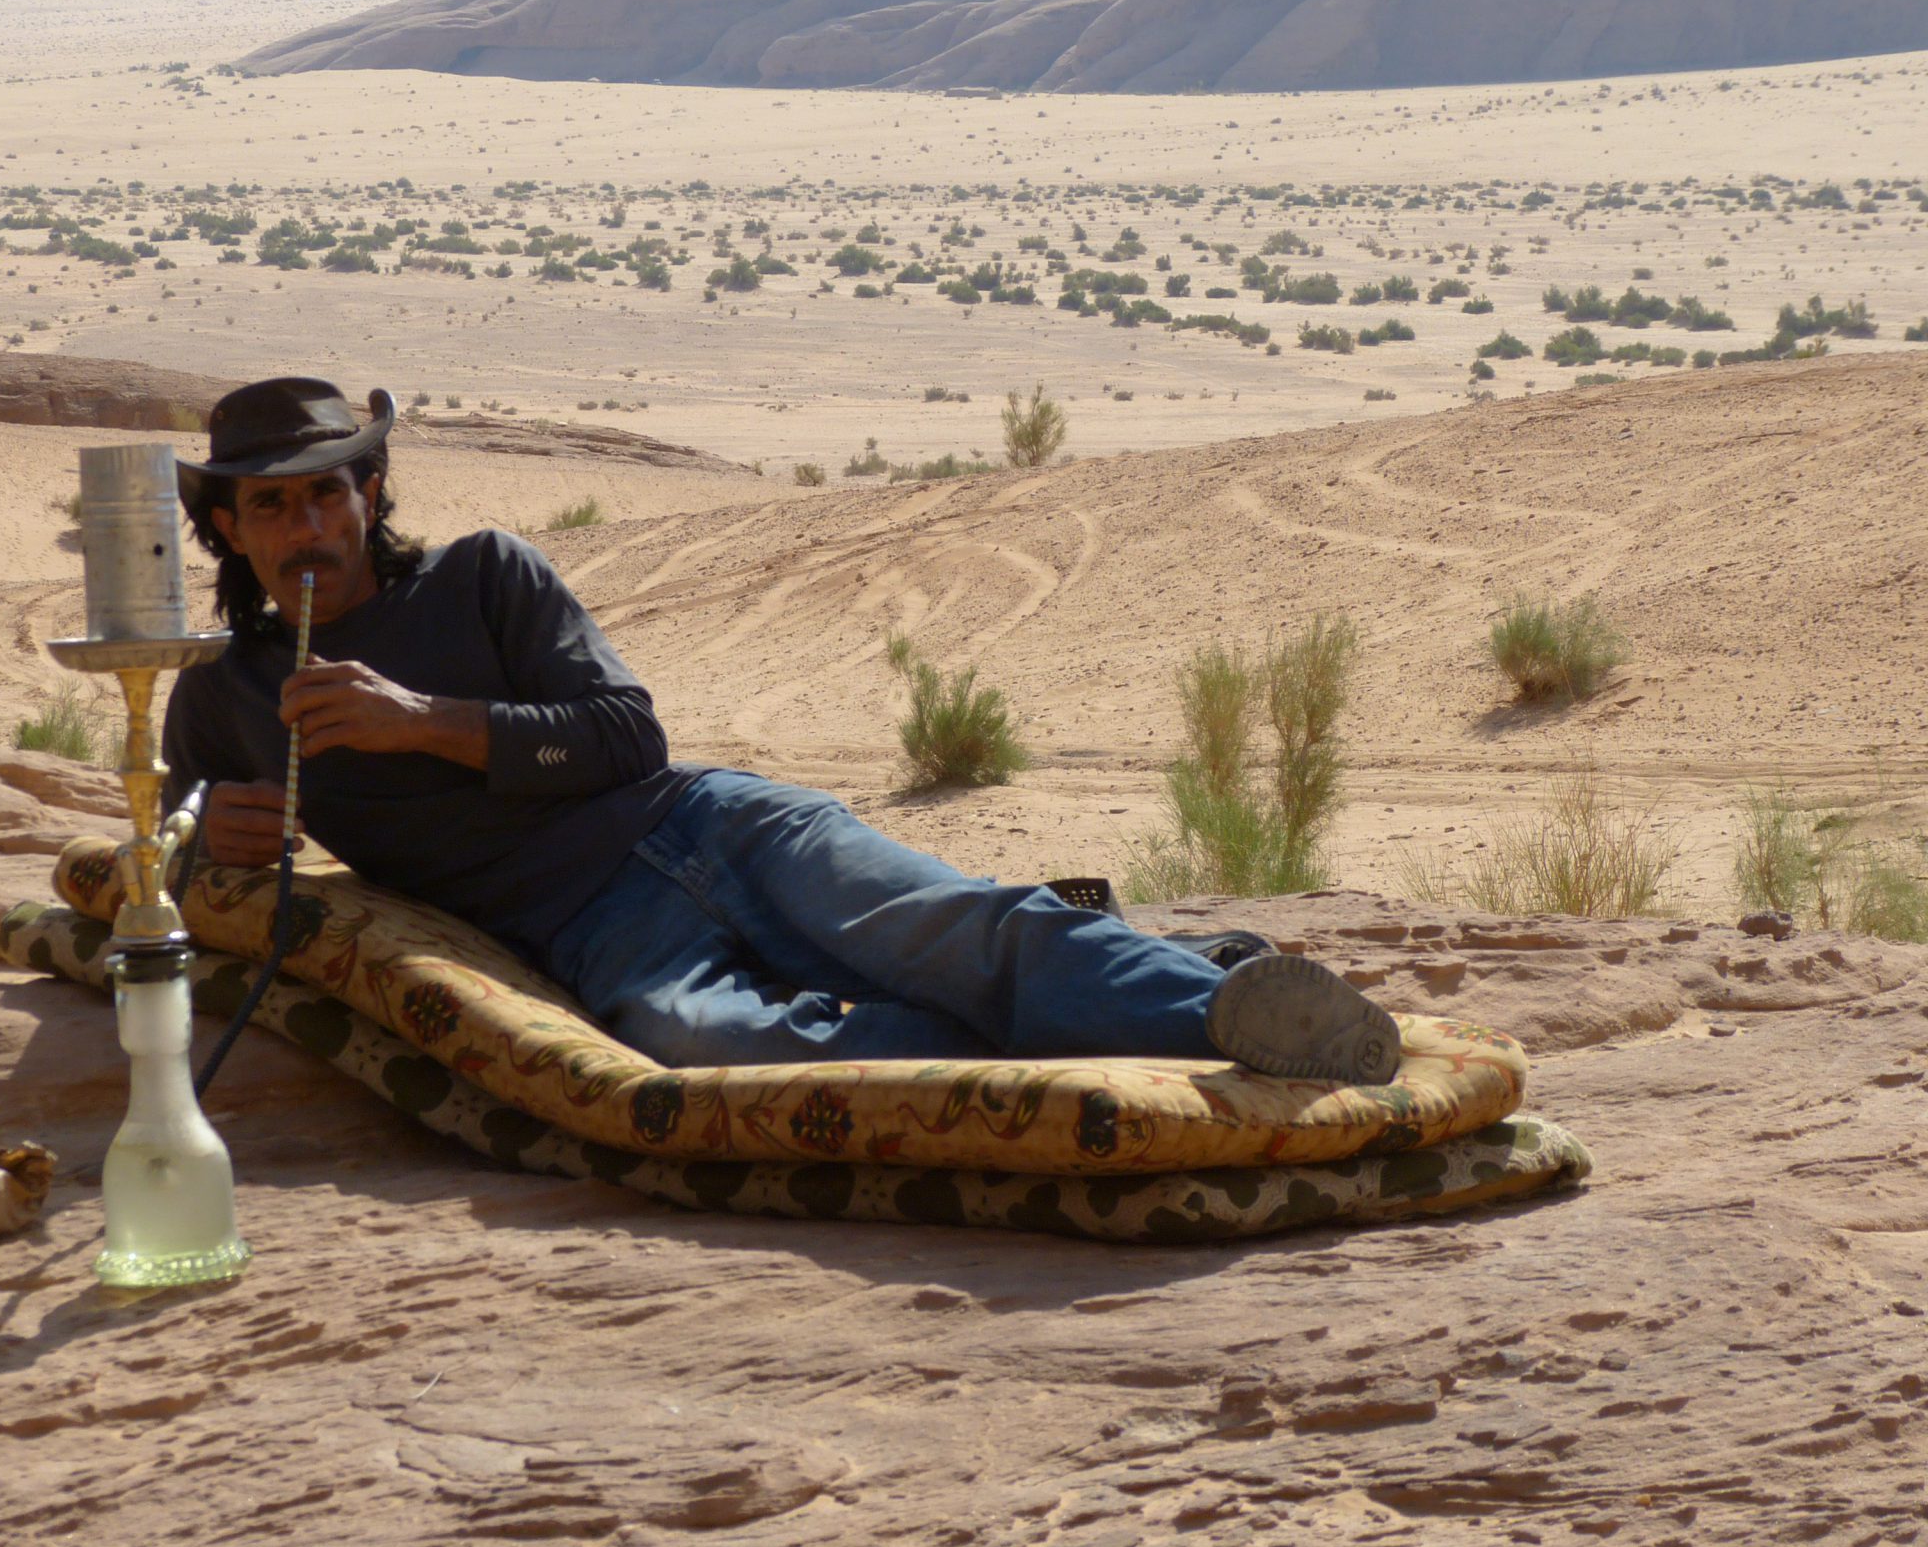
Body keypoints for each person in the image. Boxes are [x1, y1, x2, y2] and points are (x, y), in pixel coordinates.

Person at [164, 376, 1399, 1083]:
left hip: (708, 824)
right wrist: (203, 832)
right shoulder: (225, 692)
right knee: (697, 1039)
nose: (305, 524)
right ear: (228, 531)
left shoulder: (487, 576)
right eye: (269, 506)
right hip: (588, 930)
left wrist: (421, 722)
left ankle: (1241, 1022)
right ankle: (1153, 989)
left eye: (328, 490)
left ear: (370, 492)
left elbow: (622, 739)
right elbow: (159, 853)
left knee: (942, 930)